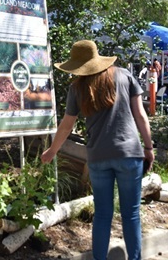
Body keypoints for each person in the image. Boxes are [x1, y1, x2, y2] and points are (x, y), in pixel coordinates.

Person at [40, 40, 153, 260]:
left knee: (102, 215)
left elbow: (66, 125)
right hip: (129, 153)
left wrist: (52, 151)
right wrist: (149, 147)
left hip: (98, 156)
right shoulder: (124, 76)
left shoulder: (76, 88)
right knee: (131, 214)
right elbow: (140, 115)